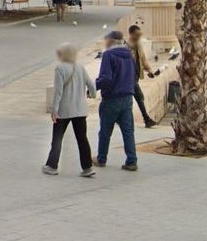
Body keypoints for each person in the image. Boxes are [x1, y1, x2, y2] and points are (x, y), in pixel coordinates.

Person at [44, 43, 97, 177]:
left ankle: (52, 165)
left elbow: (58, 92)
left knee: (57, 138)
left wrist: (54, 110)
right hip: (80, 110)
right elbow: (92, 87)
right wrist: (92, 95)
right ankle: (87, 167)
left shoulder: (60, 69)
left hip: (64, 111)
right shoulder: (80, 68)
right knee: (82, 139)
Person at [95, 30, 138, 171]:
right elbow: (134, 74)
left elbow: (106, 78)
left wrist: (93, 86)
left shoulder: (109, 55)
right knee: (128, 131)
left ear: (112, 41)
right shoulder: (129, 54)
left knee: (105, 131)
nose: (105, 43)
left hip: (111, 98)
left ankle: (101, 158)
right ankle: (132, 160)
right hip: (127, 98)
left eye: (106, 40)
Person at [126, 25, 157, 128]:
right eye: (137, 35)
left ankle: (145, 119)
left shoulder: (138, 45)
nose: (139, 37)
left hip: (134, 76)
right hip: (127, 77)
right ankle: (146, 119)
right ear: (131, 34)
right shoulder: (125, 47)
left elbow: (143, 60)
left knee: (135, 98)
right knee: (138, 97)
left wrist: (149, 70)